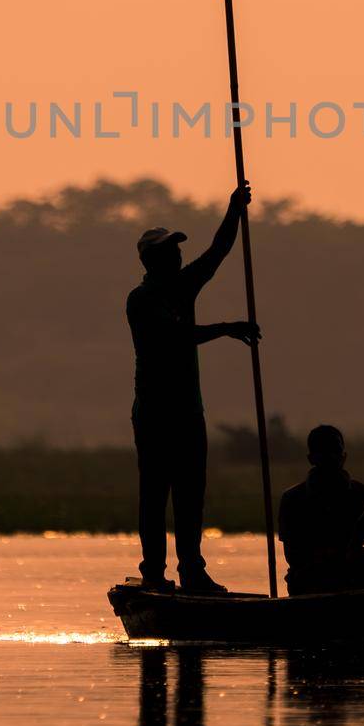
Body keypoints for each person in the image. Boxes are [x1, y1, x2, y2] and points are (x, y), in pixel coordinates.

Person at [126, 183, 260, 595]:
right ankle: (153, 572)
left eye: (179, 250)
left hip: (188, 411)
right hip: (154, 413)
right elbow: (175, 337)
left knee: (190, 494)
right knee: (155, 494)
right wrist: (227, 328)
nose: (179, 255)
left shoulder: (184, 286)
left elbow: (218, 251)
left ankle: (192, 571)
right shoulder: (141, 299)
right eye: (171, 251)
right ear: (153, 260)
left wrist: (234, 209)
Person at [277, 424, 364, 596]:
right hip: (309, 582)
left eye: (334, 451)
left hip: (355, 580)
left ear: (343, 456)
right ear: (311, 458)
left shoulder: (361, 494)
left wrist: (355, 557)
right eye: (323, 453)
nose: (330, 458)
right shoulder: (293, 499)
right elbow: (293, 557)